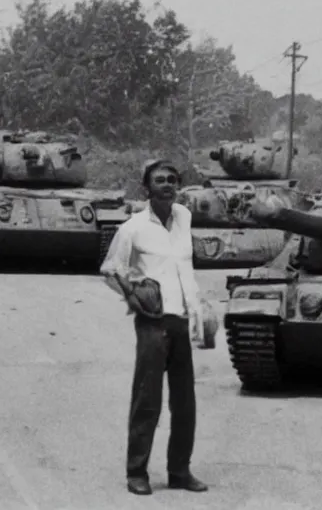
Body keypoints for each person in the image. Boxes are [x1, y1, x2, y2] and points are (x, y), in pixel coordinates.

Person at [100, 158, 208, 496]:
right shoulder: (133, 227)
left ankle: (179, 471)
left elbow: (185, 270)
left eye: (173, 179)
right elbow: (111, 269)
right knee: (147, 401)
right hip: (152, 324)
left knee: (185, 403)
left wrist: (200, 308)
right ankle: (137, 472)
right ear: (147, 188)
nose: (167, 184)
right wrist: (132, 296)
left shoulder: (184, 218)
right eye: (160, 180)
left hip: (182, 321)